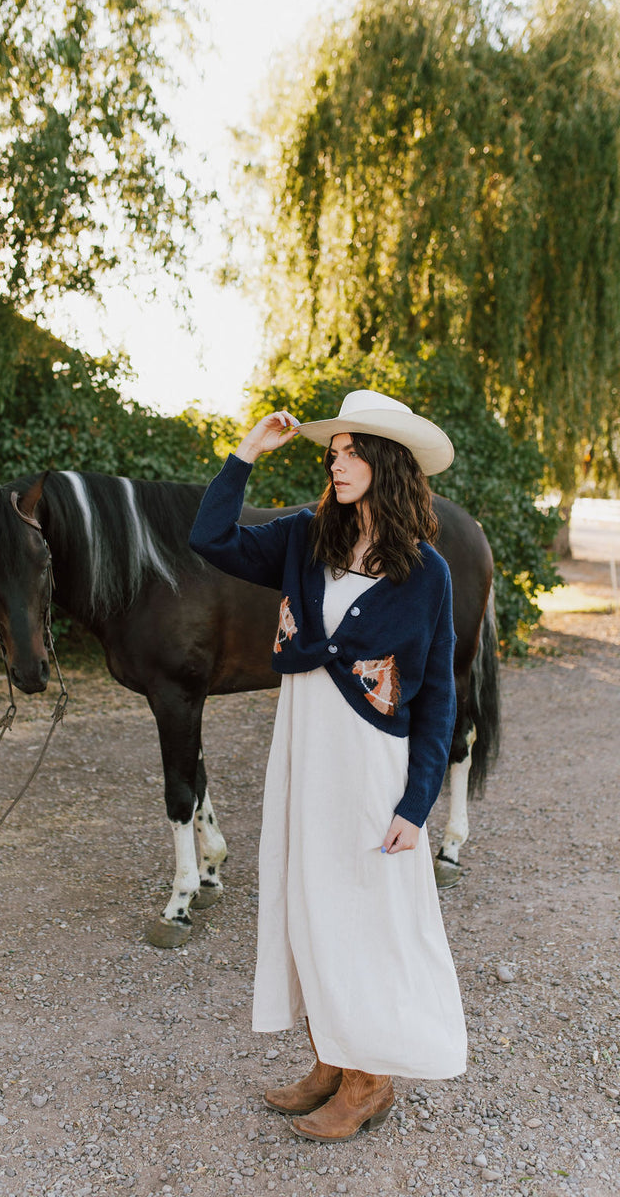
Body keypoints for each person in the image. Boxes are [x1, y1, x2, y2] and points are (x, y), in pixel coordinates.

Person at [188, 389, 467, 1144]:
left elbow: (437, 693)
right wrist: (245, 452)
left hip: (371, 761)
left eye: (351, 451)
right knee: (309, 900)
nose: (337, 462)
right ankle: (331, 1056)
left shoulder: (428, 574)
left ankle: (371, 1080)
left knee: (368, 915)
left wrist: (417, 806)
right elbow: (209, 537)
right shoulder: (305, 539)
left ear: (386, 463)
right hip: (304, 751)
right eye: (333, 451)